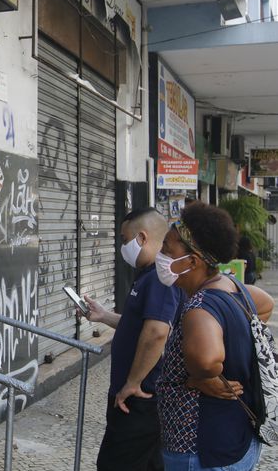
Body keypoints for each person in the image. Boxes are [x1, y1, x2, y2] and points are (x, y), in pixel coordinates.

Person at [156, 202, 275, 470]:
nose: (160, 255)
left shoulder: (200, 307)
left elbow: (208, 361)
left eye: (167, 249)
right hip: (237, 439)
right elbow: (266, 304)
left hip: (201, 450)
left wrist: (198, 379)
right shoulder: (231, 286)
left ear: (192, 261)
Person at [82, 208, 183, 471]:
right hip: (136, 397)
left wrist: (132, 383)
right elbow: (139, 326)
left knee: (114, 464)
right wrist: (103, 316)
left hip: (139, 398)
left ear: (142, 237)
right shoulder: (148, 276)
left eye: (125, 240)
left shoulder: (161, 278)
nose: (122, 247)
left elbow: (157, 331)